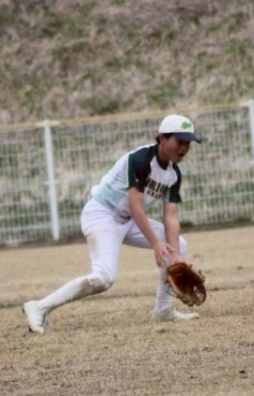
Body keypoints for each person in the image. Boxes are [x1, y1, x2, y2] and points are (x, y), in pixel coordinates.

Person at [22, 114, 203, 334]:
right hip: (102, 214)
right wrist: (156, 243)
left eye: (188, 142)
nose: (184, 147)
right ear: (163, 138)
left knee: (178, 246)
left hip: (128, 219)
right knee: (103, 278)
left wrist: (175, 256)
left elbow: (170, 216)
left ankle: (163, 311)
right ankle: (39, 307)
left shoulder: (174, 174)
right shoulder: (141, 160)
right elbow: (135, 206)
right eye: (180, 140)